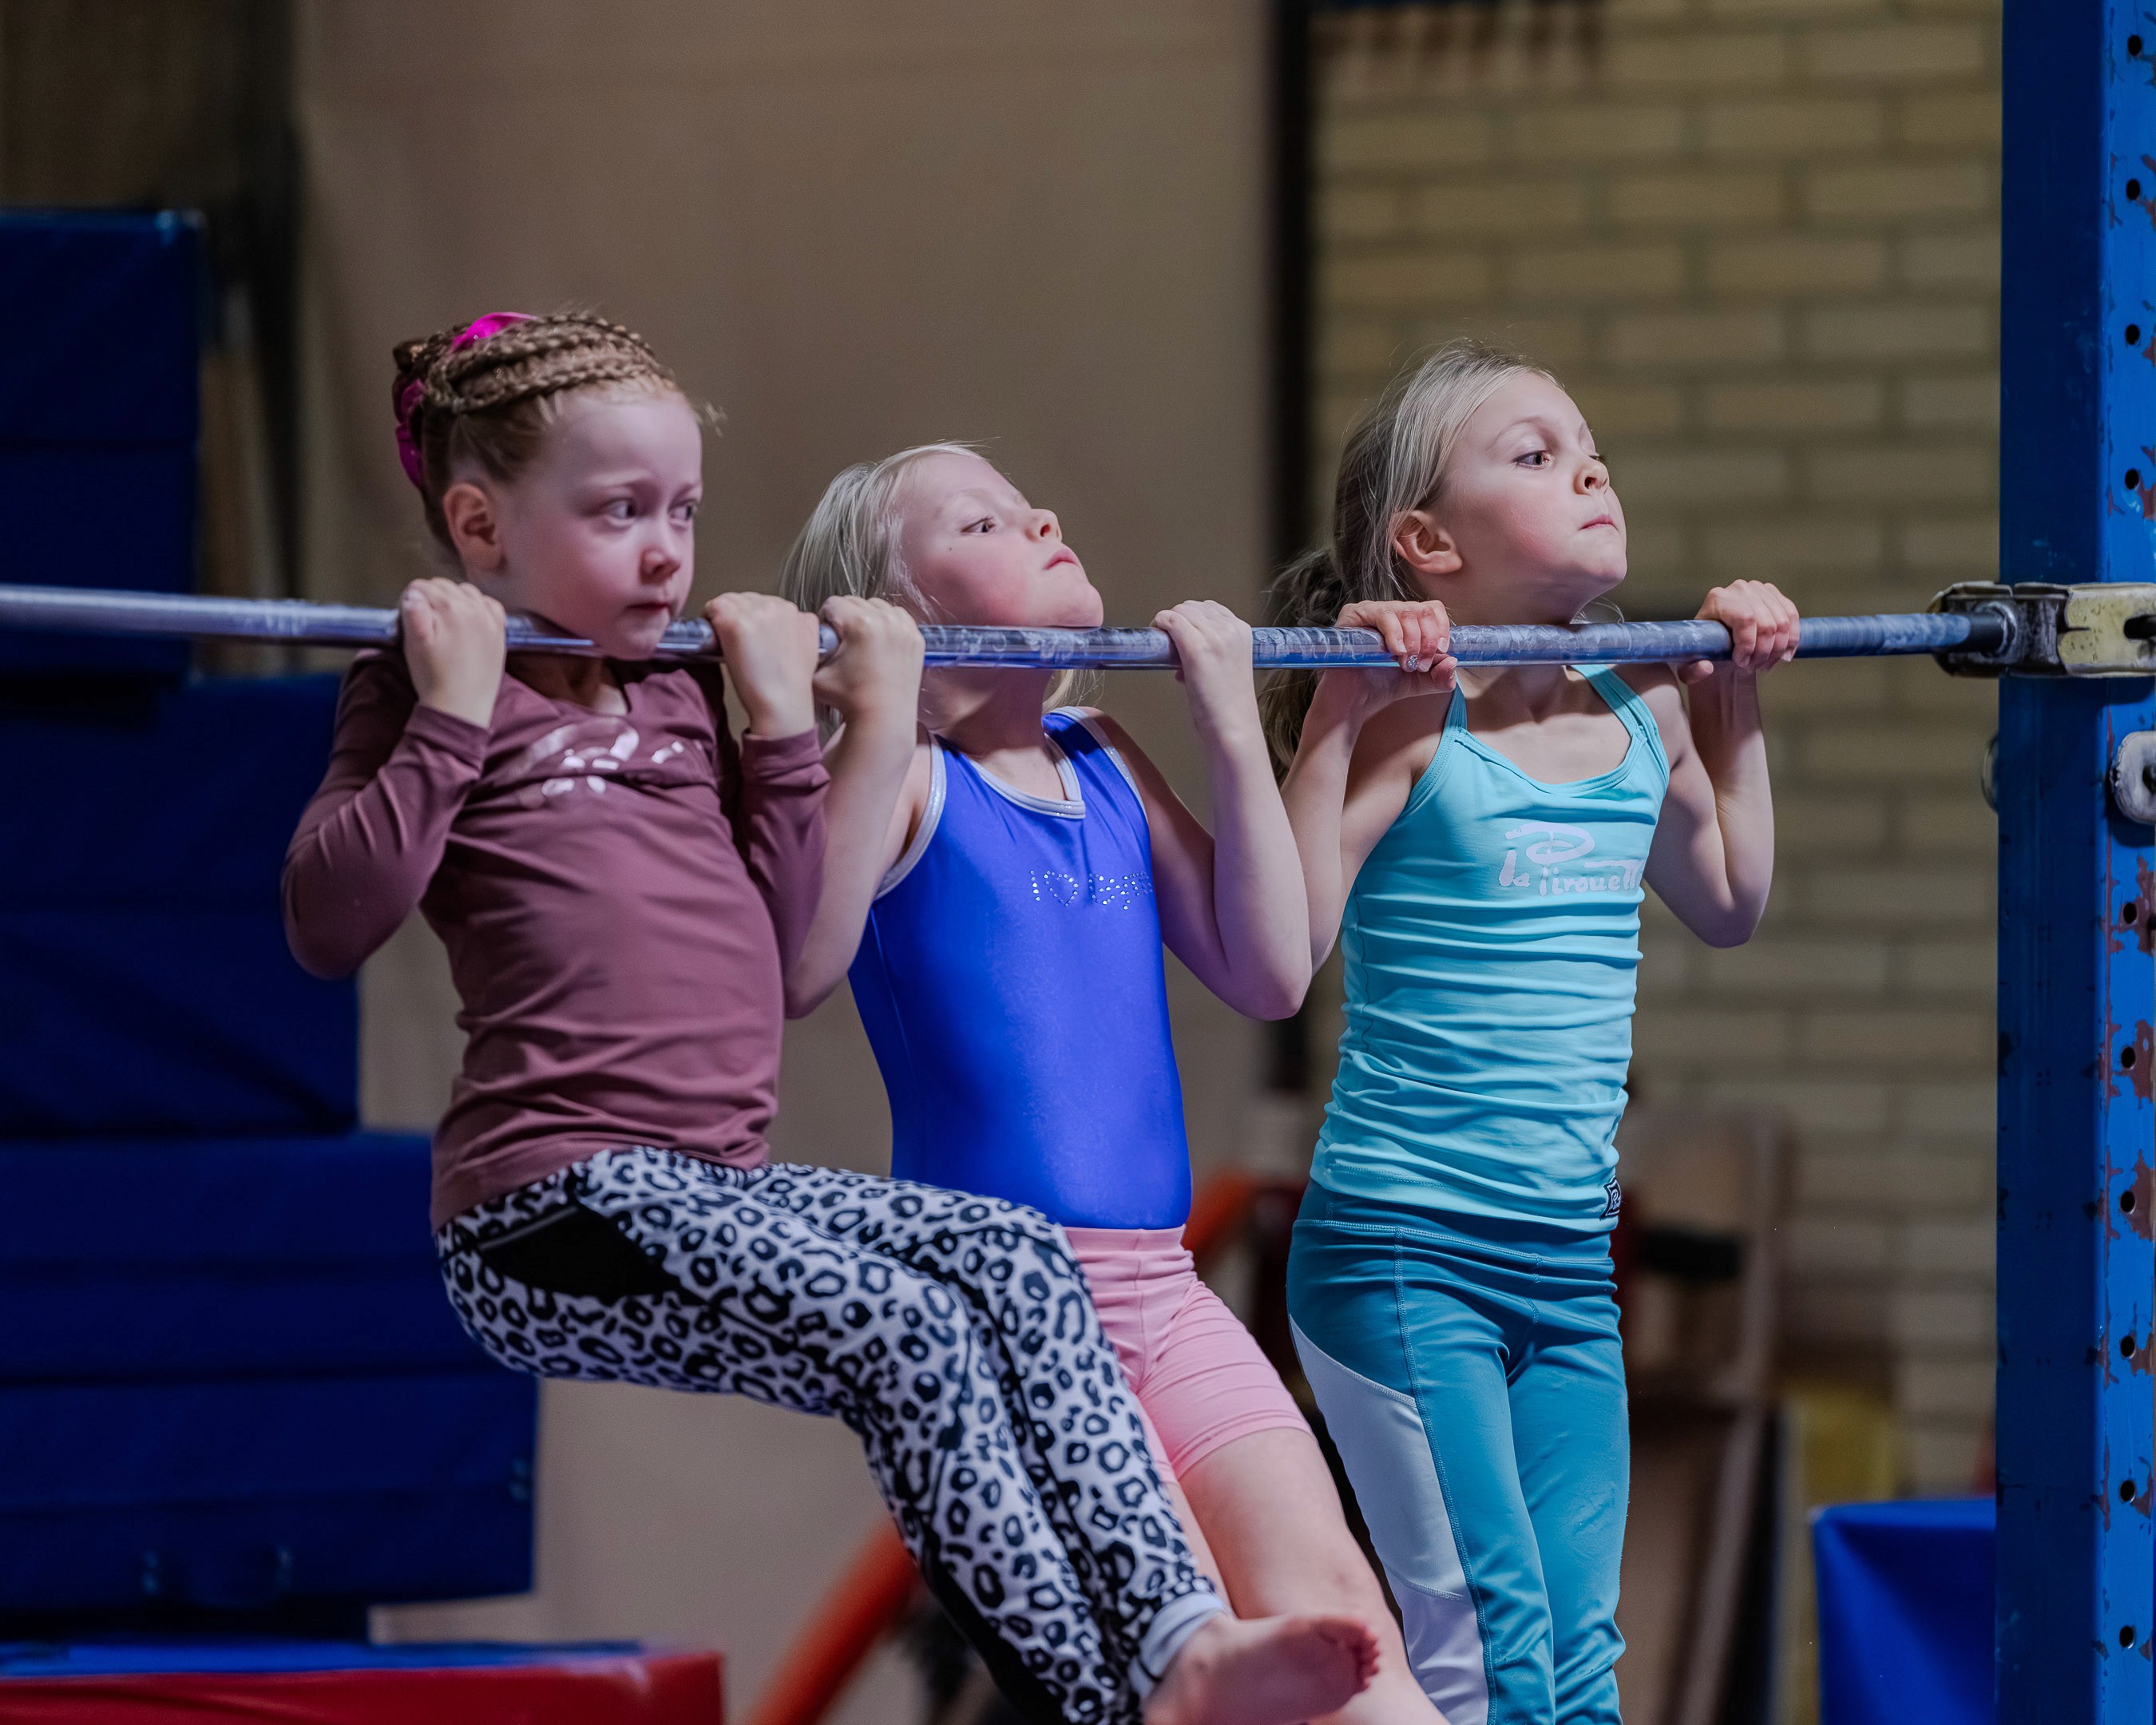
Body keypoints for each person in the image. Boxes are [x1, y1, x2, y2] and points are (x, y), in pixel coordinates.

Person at [280, 313, 1375, 1725]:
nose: (667, 552)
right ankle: (1114, 1700)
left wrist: (786, 731)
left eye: (682, 511)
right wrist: (446, 717)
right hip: (546, 1207)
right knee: (912, 1332)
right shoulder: (426, 690)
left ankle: (1177, 1645)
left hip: (707, 1194)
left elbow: (775, 956)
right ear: (480, 526)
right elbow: (327, 922)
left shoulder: (682, 695)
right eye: (619, 513)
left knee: (1009, 1263)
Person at [781, 443, 1446, 1725]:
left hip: (1163, 1290)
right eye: (981, 521)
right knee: (1188, 1654)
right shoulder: (904, 776)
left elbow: (1268, 971)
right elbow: (798, 953)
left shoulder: (1102, 754)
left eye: (1027, 499)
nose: (1040, 513)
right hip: (1013, 1310)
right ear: (899, 611)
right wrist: (870, 706)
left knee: (1347, 1630)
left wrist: (1238, 726)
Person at [1268, 339, 1799, 1725]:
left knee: (1580, 1667)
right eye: (1536, 454)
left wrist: (1733, 696)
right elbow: (1284, 948)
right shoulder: (1413, 722)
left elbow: (1731, 899)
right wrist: (1333, 716)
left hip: (1565, 1263)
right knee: (1493, 1656)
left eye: (1591, 451)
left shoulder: (1646, 702)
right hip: (1403, 1250)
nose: (1590, 471)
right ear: (1428, 543)